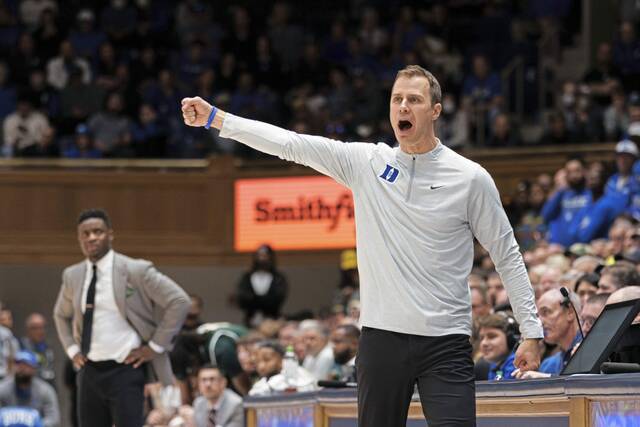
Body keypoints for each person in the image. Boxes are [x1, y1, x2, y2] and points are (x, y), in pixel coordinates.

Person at [182, 64, 543, 427]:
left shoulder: (470, 178)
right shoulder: (366, 163)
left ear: (435, 111)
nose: (403, 107)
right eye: (396, 99)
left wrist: (531, 332)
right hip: (381, 340)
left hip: (445, 342)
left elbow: (506, 254)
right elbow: (290, 143)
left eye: (414, 100)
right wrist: (217, 119)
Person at [53, 209, 190, 427]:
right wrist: (71, 349)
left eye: (97, 231)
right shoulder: (73, 274)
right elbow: (60, 314)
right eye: (85, 234)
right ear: (79, 239)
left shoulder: (136, 270)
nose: (91, 238)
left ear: (110, 234)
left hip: (125, 369)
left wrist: (155, 346)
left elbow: (180, 301)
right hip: (89, 370)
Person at [515, 289, 582, 378]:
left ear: (570, 312)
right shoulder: (548, 364)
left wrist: (545, 378)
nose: (540, 322)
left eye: (546, 312)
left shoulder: (588, 350)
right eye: (538, 316)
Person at [0, 350, 60, 427]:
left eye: (25, 364)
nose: (21, 368)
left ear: (33, 368)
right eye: (18, 364)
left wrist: (37, 424)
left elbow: (54, 419)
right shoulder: (2, 389)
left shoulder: (45, 391)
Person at [235, 244, 288, 327]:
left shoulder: (278, 278)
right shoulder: (247, 277)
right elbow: (242, 297)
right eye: (259, 255)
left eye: (265, 255)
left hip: (272, 320)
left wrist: (259, 300)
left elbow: (278, 297)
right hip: (250, 319)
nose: (262, 258)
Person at [477, 314, 519, 381]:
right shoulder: (495, 365)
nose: (483, 343)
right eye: (481, 338)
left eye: (491, 336)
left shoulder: (517, 364)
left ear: (510, 339)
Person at [19, 314, 55, 388]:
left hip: (45, 387)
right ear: (28, 330)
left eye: (42, 328)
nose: (40, 331)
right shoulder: (21, 346)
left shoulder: (47, 348)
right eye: (35, 328)